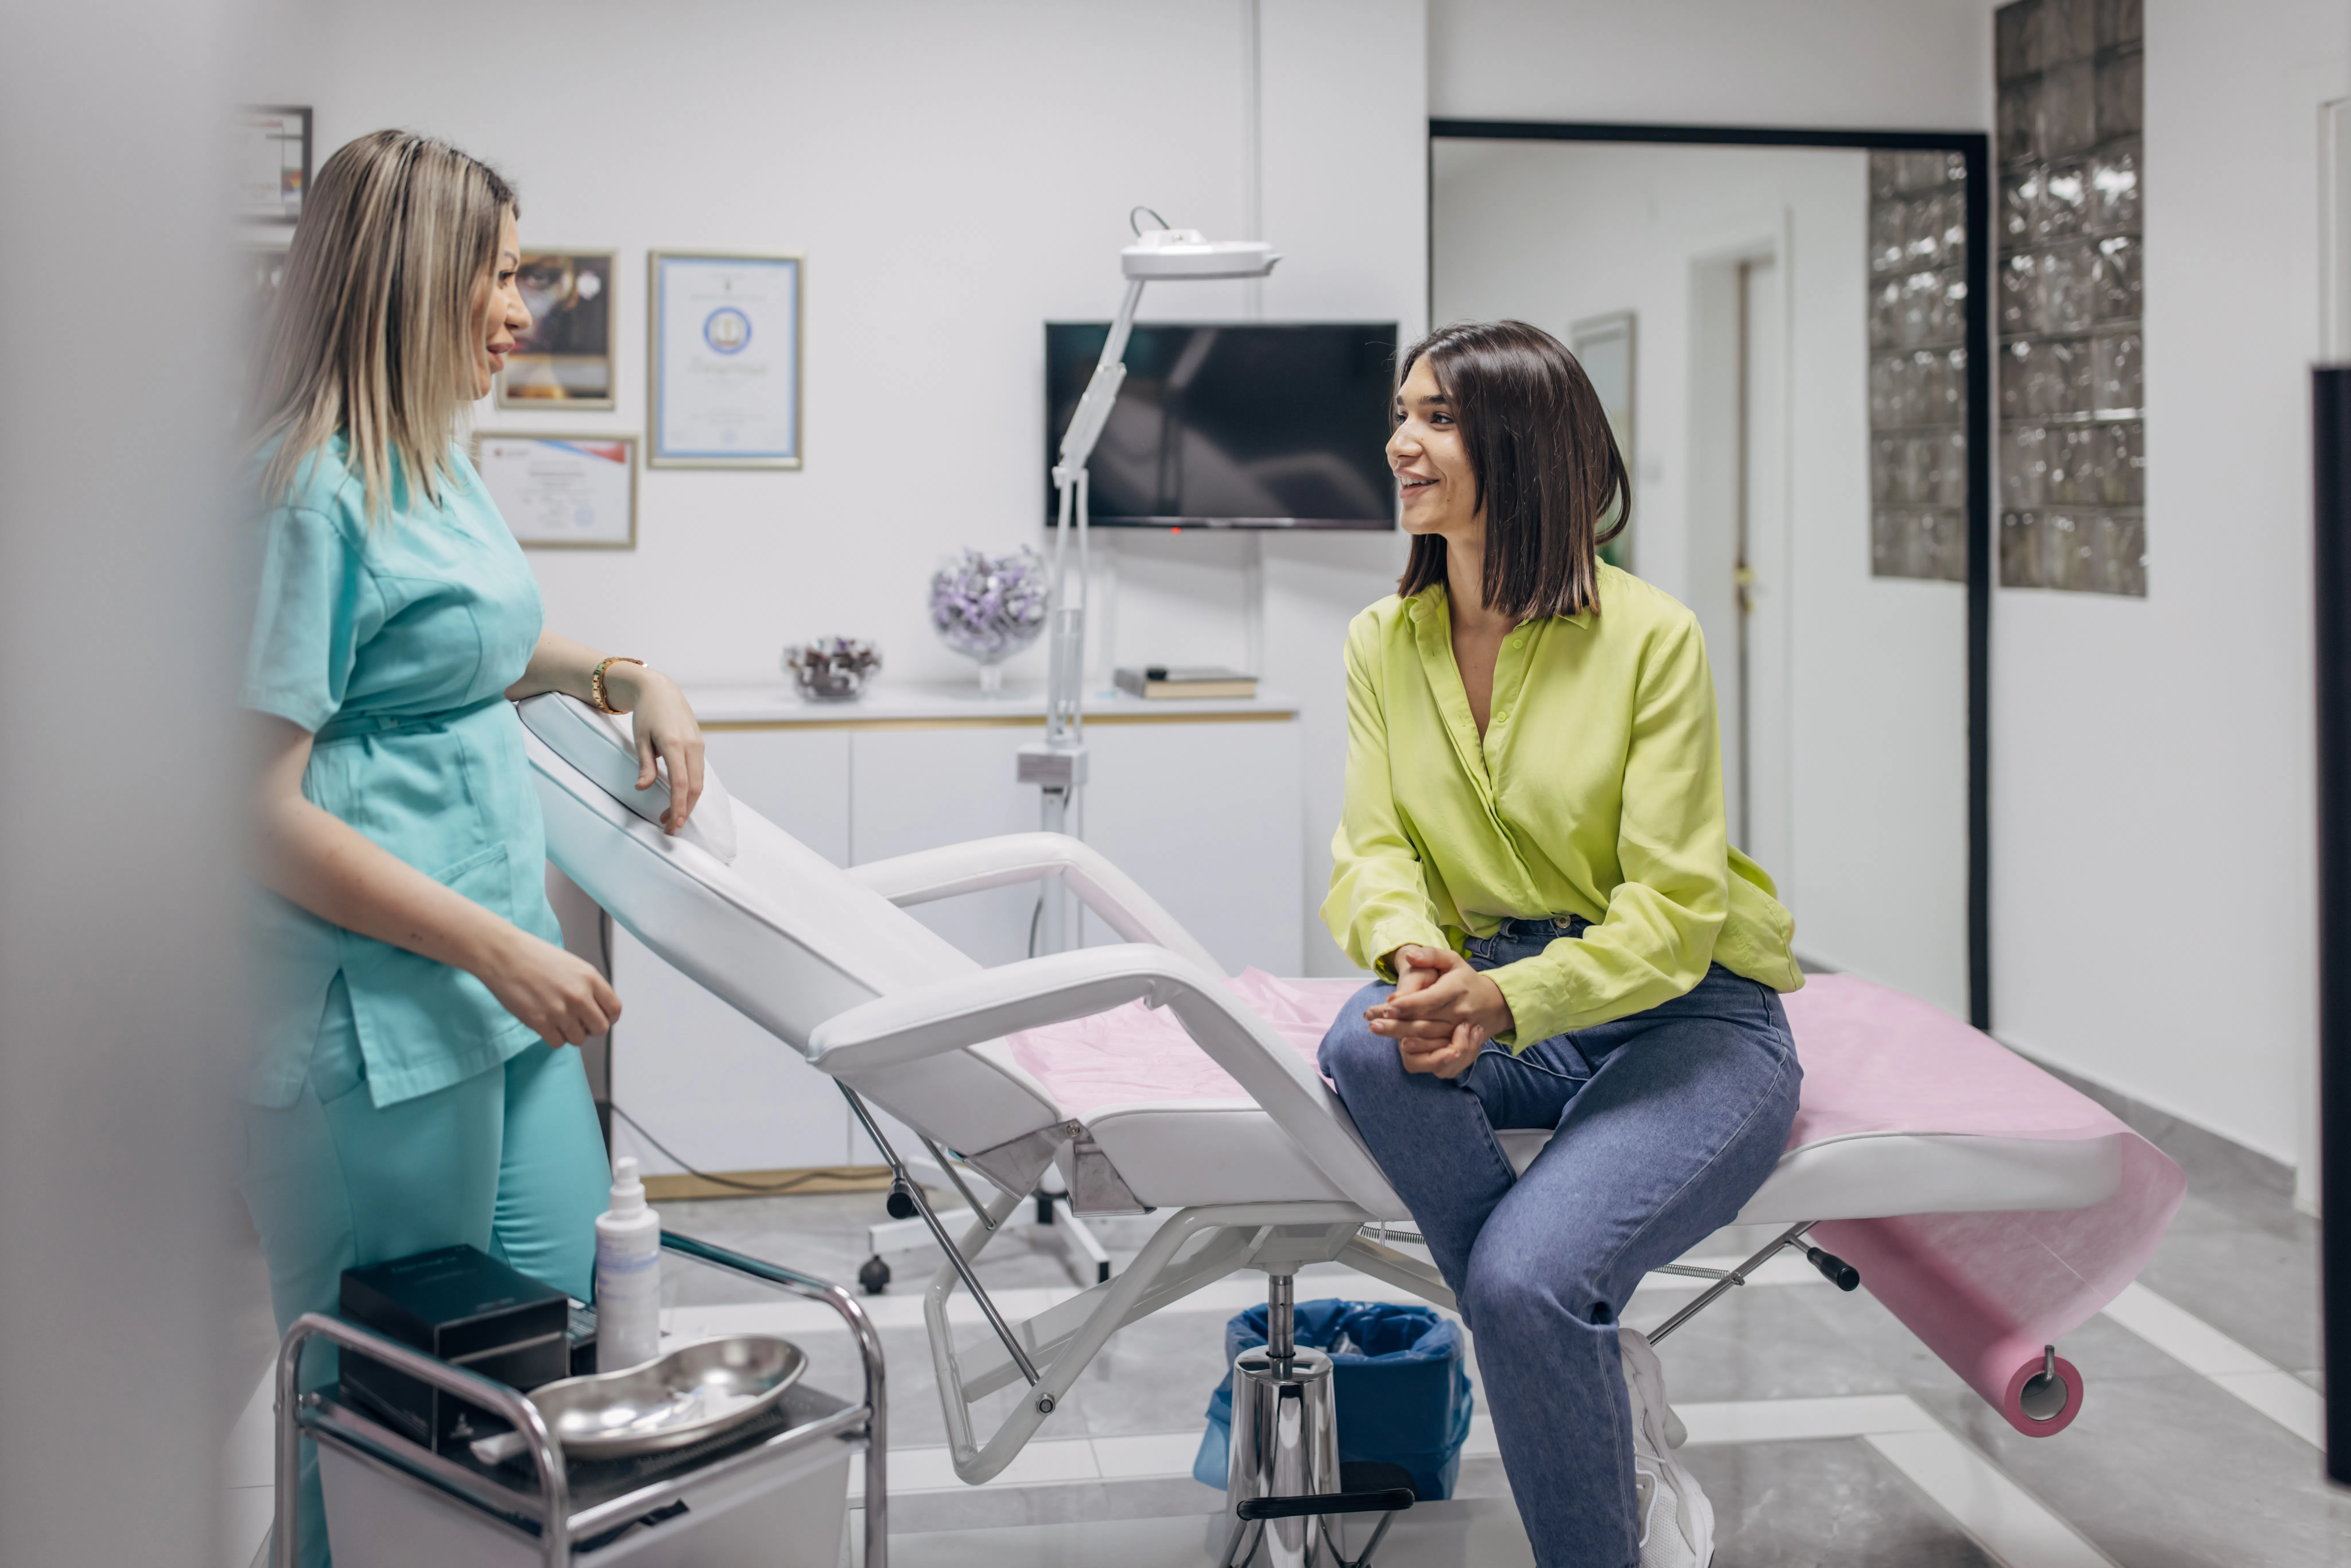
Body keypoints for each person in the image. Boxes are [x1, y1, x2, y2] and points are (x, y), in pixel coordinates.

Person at [238, 129, 707, 1568]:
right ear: (413, 277)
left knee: (546, 1358)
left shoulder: (427, 460)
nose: (523, 310)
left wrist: (622, 673)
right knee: (378, 1410)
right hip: (378, 1020)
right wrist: (501, 944)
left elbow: (466, 646)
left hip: (497, 994)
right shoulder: (300, 493)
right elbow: (251, 809)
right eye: (500, 276)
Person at [1316, 320, 1805, 1568]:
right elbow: (1372, 848)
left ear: (1519, 449)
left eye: (1432, 418)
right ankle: (1566, 1334)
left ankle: (1549, 1316)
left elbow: (1673, 914)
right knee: (1364, 1049)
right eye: (1400, 413)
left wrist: (1506, 999)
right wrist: (1416, 960)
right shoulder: (1386, 640)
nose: (1398, 444)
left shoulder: (1650, 638)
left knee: (1525, 1287)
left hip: (1687, 1016)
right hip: (1508, 992)